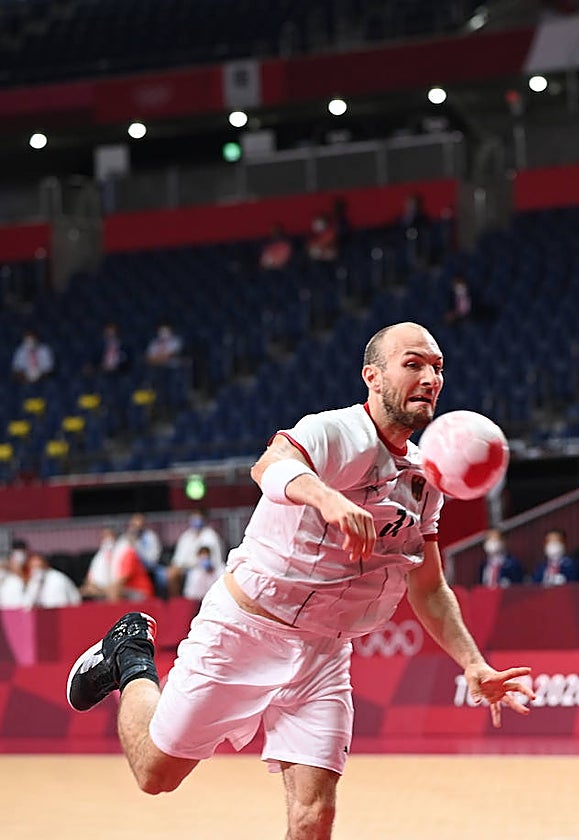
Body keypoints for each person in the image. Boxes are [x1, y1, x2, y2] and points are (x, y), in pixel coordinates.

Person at [64, 322, 535, 840]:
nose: (430, 378)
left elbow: (428, 587)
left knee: (313, 816)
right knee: (155, 774)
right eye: (413, 364)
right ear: (373, 377)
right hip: (244, 632)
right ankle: (129, 653)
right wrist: (327, 497)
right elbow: (269, 465)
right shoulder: (335, 432)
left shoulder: (426, 480)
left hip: (323, 654)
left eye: (437, 368)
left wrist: (472, 663)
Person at [80, 526, 155, 602]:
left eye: (108, 535)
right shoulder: (102, 555)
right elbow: (90, 579)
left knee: (114, 592)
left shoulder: (127, 551)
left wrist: (101, 591)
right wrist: (94, 588)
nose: (105, 539)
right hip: (113, 589)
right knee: (87, 591)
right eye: (103, 536)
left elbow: (122, 580)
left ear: (116, 536)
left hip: (139, 591)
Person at [0, 540, 81, 610]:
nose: (34, 571)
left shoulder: (55, 579)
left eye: (38, 567)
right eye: (32, 567)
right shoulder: (14, 580)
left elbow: (57, 605)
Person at [166, 509, 224, 598]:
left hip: (206, 568)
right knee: (172, 572)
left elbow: (212, 560)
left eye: (198, 518)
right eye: (193, 518)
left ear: (204, 520)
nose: (196, 521)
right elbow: (178, 559)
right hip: (187, 567)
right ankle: (177, 602)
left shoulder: (210, 535)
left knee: (196, 575)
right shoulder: (186, 536)